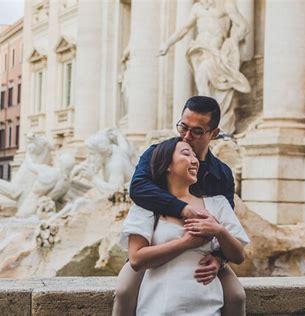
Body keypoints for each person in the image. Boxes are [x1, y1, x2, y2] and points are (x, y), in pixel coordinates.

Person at [113, 96, 247, 316]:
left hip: (205, 253)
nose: (186, 135)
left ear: (213, 133)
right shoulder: (160, 153)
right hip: (156, 247)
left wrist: (220, 259)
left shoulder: (221, 173)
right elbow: (138, 188)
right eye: (183, 127)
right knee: (124, 290)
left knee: (236, 296)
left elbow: (225, 221)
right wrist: (183, 209)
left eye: (196, 131)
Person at [159, 0, 251, 135]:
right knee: (202, 83)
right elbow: (184, 28)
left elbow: (244, 26)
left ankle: (213, 123)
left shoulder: (226, 5)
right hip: (199, 51)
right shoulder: (197, 8)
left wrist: (231, 43)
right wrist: (167, 43)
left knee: (215, 84)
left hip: (216, 51)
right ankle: (206, 123)